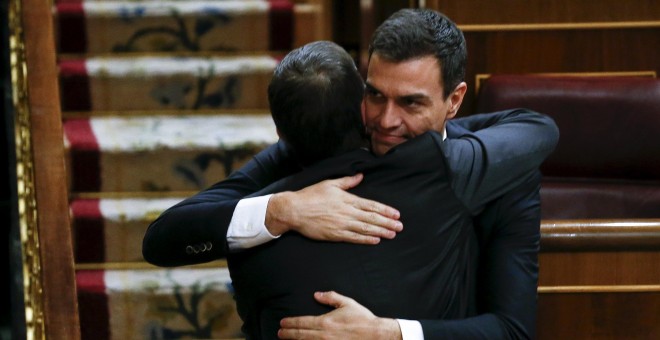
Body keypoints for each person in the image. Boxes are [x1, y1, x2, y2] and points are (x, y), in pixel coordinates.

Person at [144, 8, 558, 339]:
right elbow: (166, 238)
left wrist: (391, 333)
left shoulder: (501, 168)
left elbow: (510, 330)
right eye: (375, 95)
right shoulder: (313, 143)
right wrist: (283, 210)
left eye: (411, 103)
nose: (386, 121)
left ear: (454, 100)